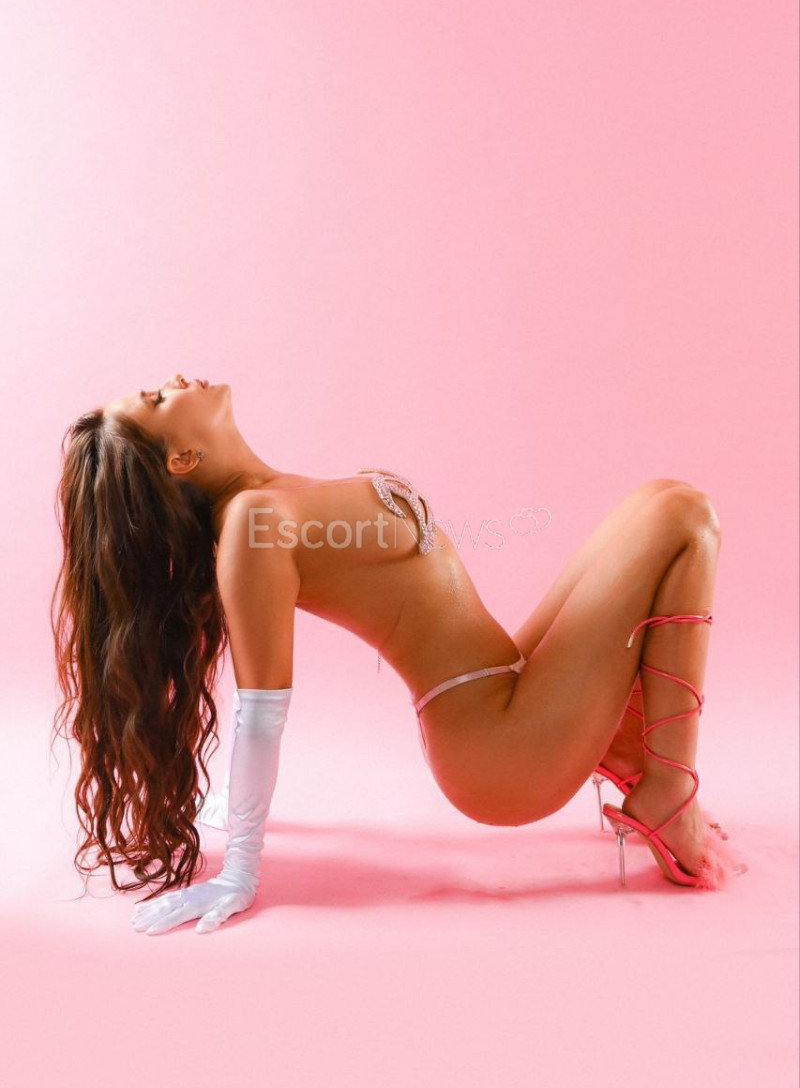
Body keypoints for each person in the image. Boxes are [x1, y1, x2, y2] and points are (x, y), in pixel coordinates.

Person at [51, 373, 744, 936]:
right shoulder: (254, 524)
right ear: (181, 459)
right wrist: (239, 871)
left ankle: (620, 745)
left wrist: (227, 802)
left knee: (659, 501)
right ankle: (667, 791)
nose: (175, 380)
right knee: (683, 513)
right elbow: (260, 712)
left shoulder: (271, 497)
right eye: (158, 398)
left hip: (508, 684)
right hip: (496, 745)